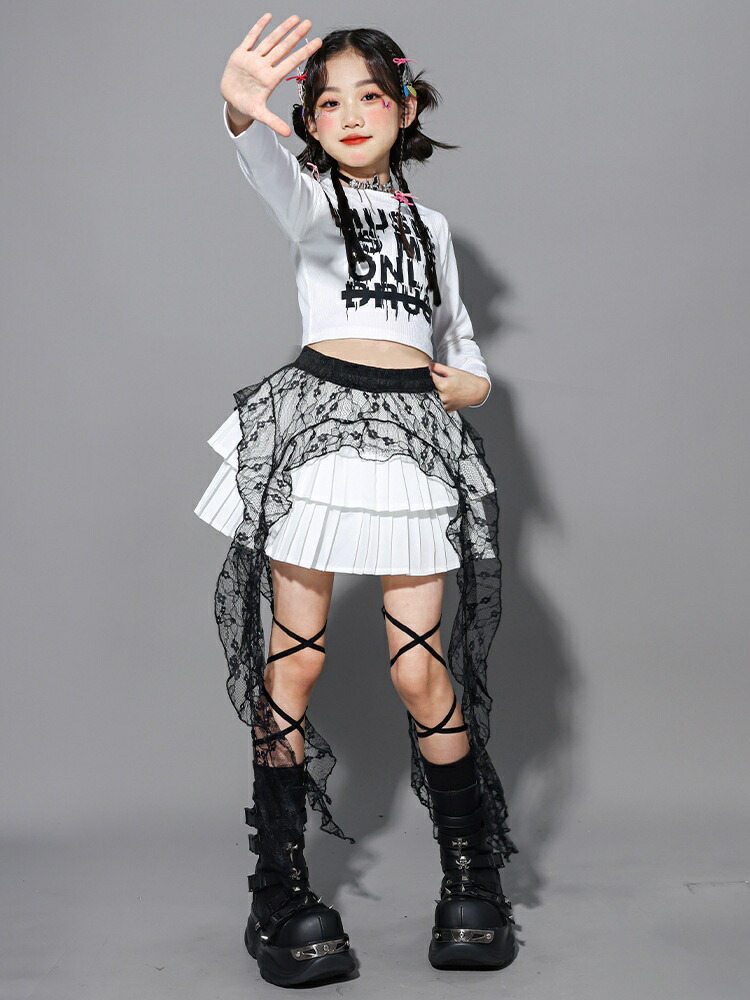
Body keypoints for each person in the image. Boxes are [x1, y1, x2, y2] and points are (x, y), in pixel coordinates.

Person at [194, 14, 519, 987]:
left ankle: (472, 875)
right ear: (308, 120)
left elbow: (460, 343)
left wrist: (472, 384)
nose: (347, 114)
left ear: (405, 108)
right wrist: (239, 110)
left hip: (411, 442)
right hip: (319, 434)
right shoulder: (311, 201)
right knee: (294, 661)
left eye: (368, 96)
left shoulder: (434, 229)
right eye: (325, 101)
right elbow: (261, 163)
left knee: (421, 670)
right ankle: (279, 890)